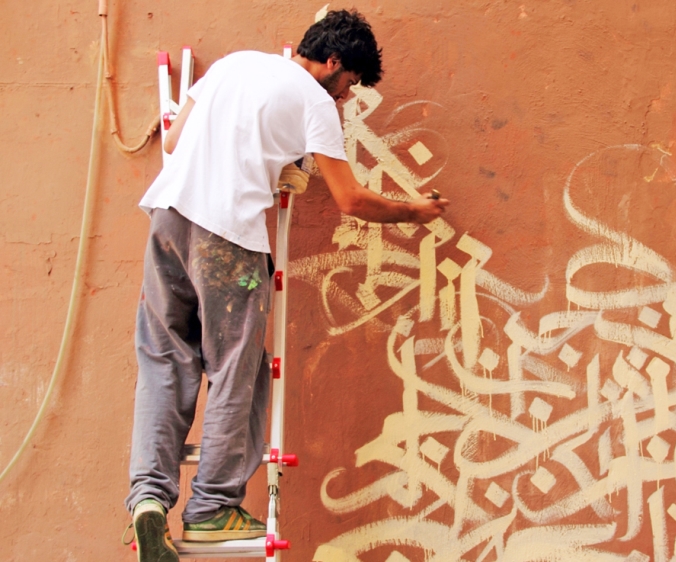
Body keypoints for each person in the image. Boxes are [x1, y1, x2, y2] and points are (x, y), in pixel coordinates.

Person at [124, 9, 449, 562]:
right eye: (349, 85)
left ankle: (148, 496)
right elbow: (350, 200)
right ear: (334, 62)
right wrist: (414, 213)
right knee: (237, 369)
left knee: (163, 360)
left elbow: (175, 141)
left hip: (168, 219)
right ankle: (211, 508)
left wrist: (270, 164)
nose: (346, 99)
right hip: (228, 238)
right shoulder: (316, 103)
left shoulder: (234, 65)